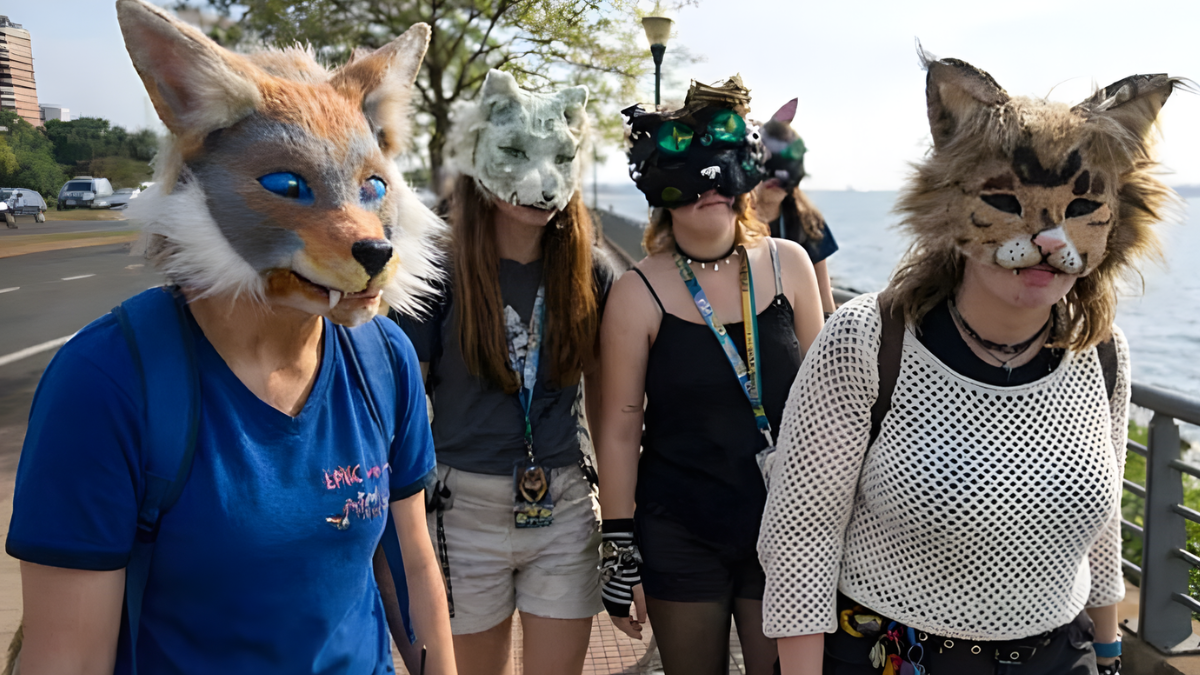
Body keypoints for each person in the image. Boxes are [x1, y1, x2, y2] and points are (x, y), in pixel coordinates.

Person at [5, 2, 455, 673]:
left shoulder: (382, 359)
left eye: (370, 190)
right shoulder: (106, 382)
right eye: (287, 184)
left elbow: (410, 563)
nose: (365, 232)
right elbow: (65, 656)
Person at [759, 53, 1182, 675]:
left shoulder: (1104, 350)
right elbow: (801, 536)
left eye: (1080, 210)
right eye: (1009, 202)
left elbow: (1102, 527)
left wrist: (1110, 647)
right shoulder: (865, 340)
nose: (1048, 239)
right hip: (894, 656)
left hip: (1060, 656)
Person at [596, 76, 824, 675]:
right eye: (689, 179)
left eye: (722, 173)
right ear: (660, 191)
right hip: (680, 530)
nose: (709, 189)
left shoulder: (789, 265)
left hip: (785, 526)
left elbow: (832, 402)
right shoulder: (636, 292)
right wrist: (619, 547)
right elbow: (619, 426)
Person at [393, 69, 613, 675]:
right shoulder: (437, 268)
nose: (540, 182)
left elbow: (612, 404)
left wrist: (622, 524)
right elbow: (402, 400)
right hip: (463, 510)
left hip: (565, 506)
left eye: (558, 159)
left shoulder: (591, 272)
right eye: (515, 152)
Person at [753, 99, 839, 314]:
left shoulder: (809, 223)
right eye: (769, 165)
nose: (778, 176)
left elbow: (823, 300)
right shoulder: (730, 226)